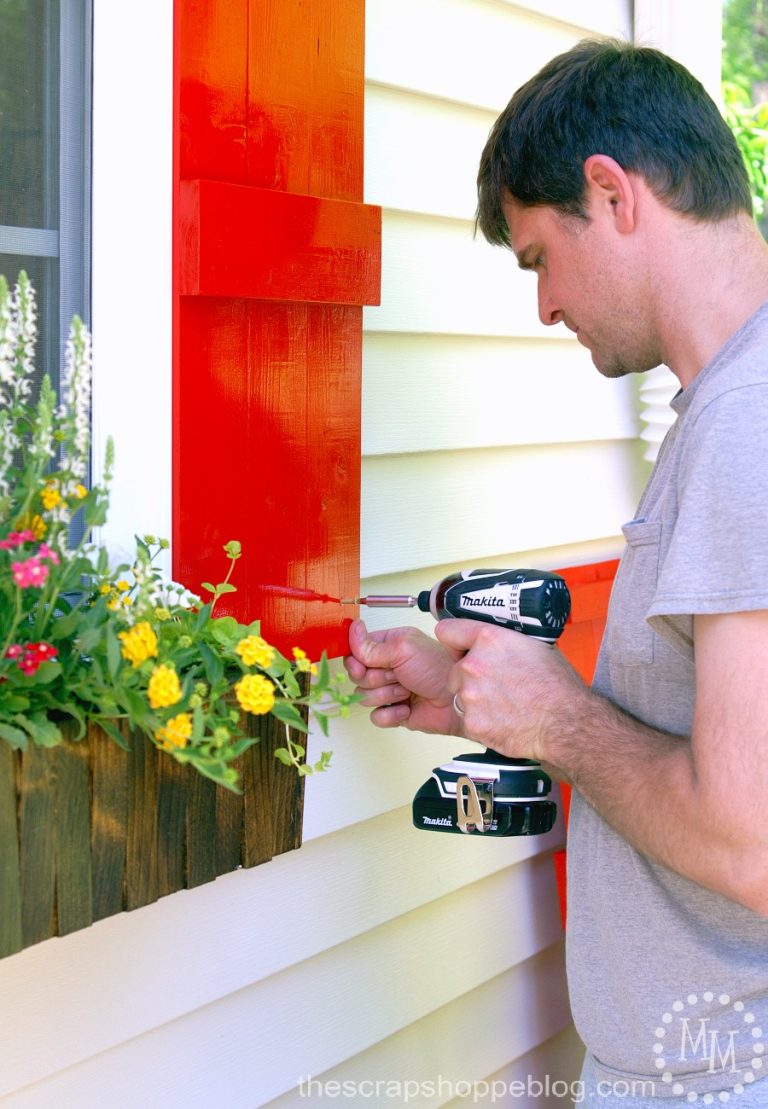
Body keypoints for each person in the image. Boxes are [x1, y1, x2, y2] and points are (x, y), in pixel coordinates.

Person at [345, 40, 768, 1106]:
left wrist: (564, 721)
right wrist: (505, 702)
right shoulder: (727, 411)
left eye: (538, 258)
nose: (543, 306)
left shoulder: (746, 427)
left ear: (613, 193)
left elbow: (750, 837)